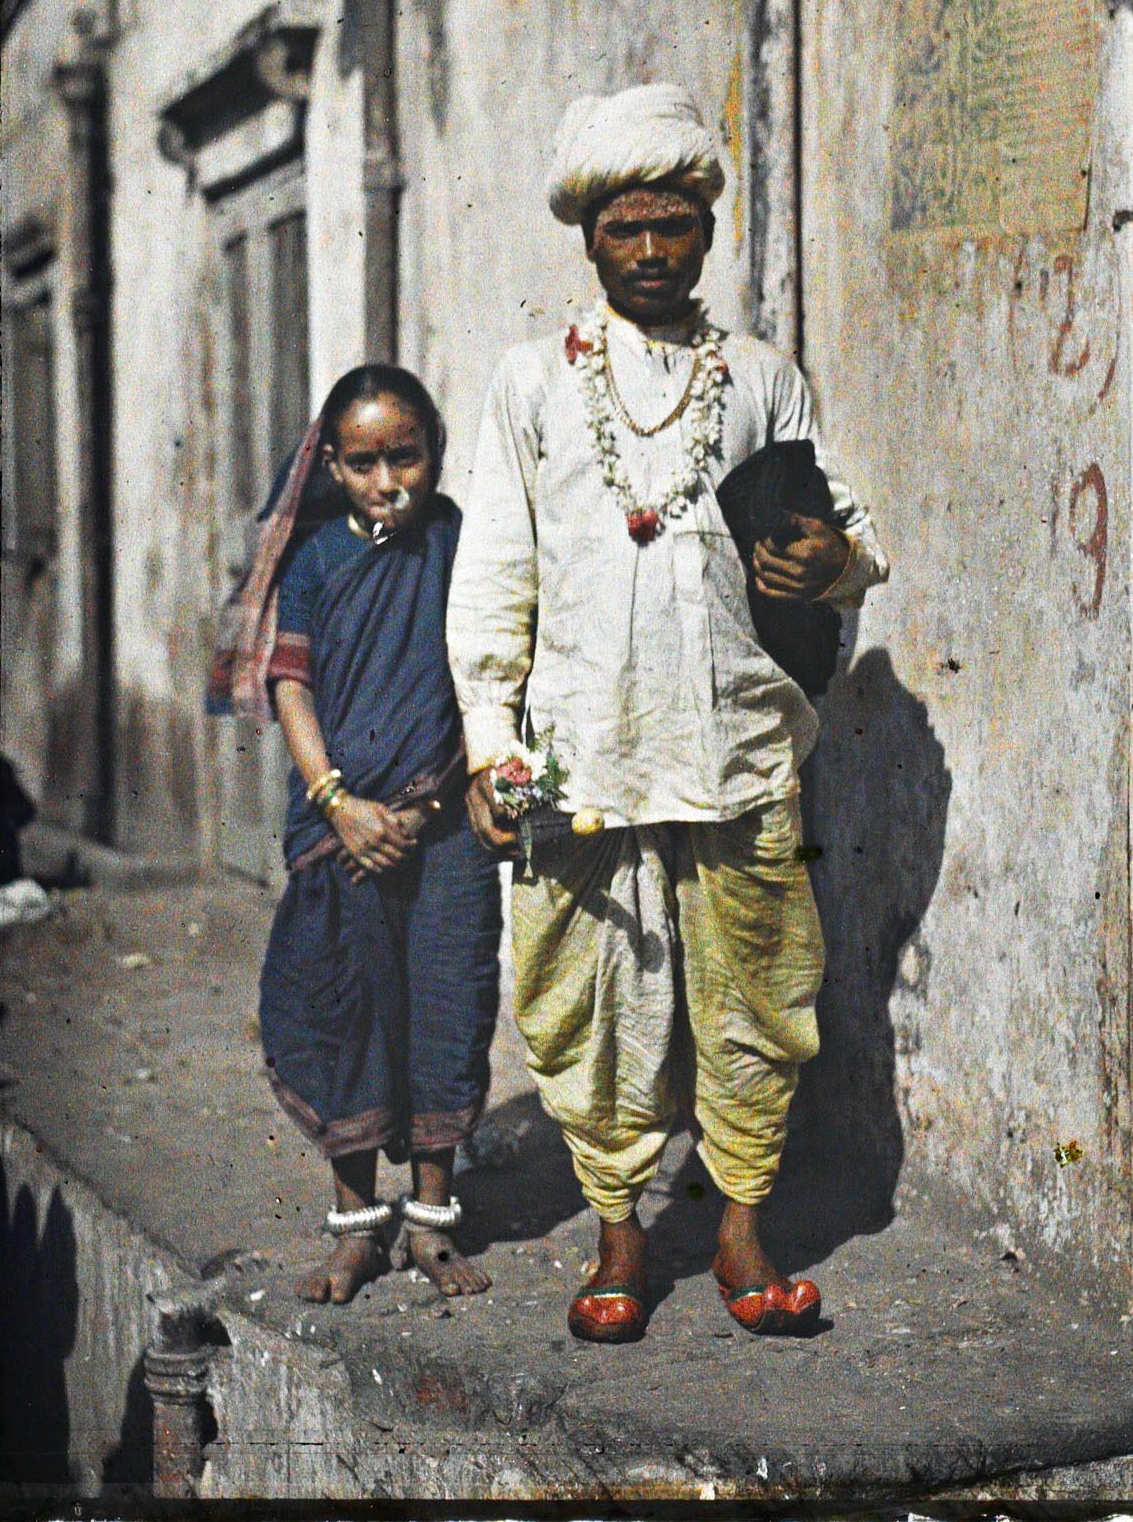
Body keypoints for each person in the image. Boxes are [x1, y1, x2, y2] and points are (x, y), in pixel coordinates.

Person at [447, 83, 889, 1343]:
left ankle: (744, 1229)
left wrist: (826, 566)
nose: (649, 250)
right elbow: (495, 572)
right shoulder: (531, 383)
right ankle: (620, 1236)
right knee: (584, 999)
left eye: (675, 225)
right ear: (588, 236)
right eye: (625, 226)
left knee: (759, 992)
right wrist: (491, 742)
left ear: (708, 232)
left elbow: (841, 535)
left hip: (737, 745)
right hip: (577, 753)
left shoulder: (759, 378)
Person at [212, 364, 503, 1304]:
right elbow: (291, 685)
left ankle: (430, 1222)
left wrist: (423, 807)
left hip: (443, 825)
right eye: (366, 463)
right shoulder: (314, 563)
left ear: (435, 454)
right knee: (345, 1010)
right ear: (333, 467)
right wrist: (338, 800)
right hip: (343, 829)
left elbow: (491, 666)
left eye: (406, 458)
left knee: (445, 1002)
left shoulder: (459, 541)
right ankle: (354, 1227)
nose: (389, 483)